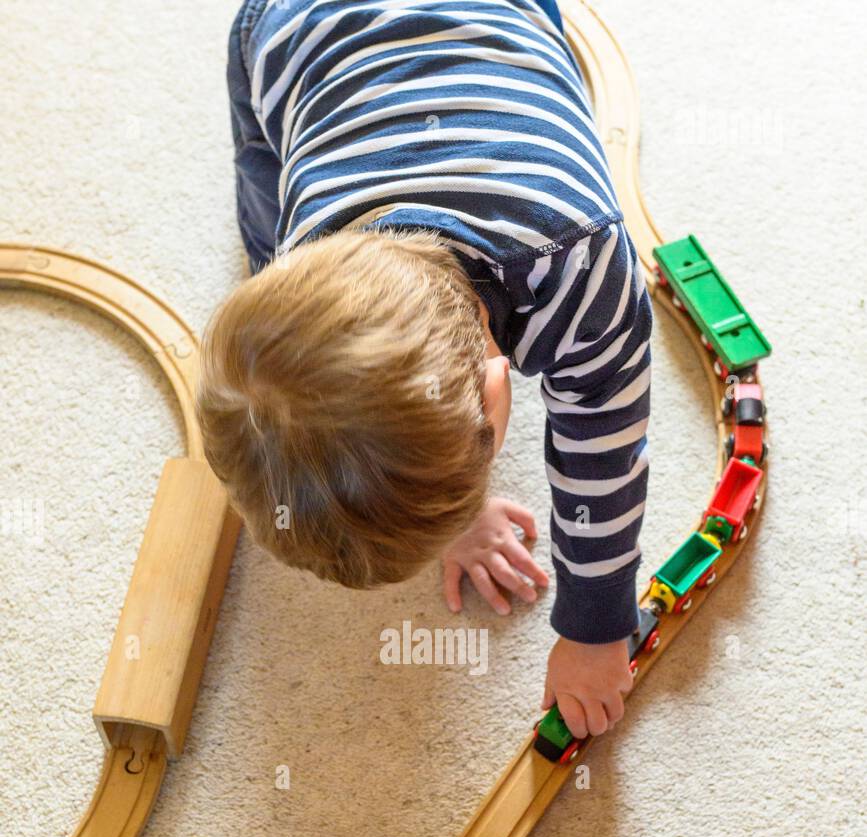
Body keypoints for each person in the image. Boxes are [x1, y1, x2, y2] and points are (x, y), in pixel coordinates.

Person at [197, 0, 652, 739]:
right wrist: (451, 504)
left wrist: (595, 629)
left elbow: (605, 447)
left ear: (497, 387)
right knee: (265, 191)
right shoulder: (305, 252)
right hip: (291, 30)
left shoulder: (583, 267)